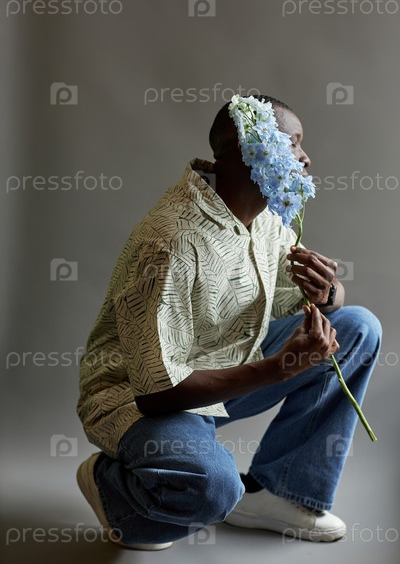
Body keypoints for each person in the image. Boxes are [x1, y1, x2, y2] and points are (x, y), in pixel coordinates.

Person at [76, 94, 382, 550]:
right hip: (140, 399)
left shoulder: (264, 219)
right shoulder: (171, 242)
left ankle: (277, 492)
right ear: (248, 148)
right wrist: (279, 369)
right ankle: (110, 485)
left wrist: (326, 293)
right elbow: (156, 393)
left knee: (357, 328)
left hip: (224, 367)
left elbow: (294, 300)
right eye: (294, 144)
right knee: (213, 490)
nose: (306, 159)